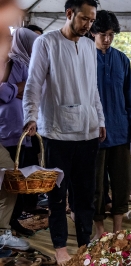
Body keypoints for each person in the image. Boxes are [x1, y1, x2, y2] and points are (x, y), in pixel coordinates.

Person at [22, 0, 105, 264]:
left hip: (88, 130)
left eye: (92, 21)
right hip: (56, 132)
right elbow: (33, 84)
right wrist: (30, 117)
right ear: (69, 14)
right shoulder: (46, 43)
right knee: (57, 195)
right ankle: (60, 245)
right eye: (84, 19)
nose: (88, 25)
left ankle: (84, 242)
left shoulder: (91, 46)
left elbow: (93, 89)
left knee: (85, 194)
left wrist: (100, 119)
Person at [90, 10, 131, 240]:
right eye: (103, 34)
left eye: (111, 34)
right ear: (92, 33)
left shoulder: (122, 59)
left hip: (120, 131)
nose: (108, 39)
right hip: (92, 133)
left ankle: (118, 228)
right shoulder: (84, 57)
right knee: (96, 185)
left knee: (122, 182)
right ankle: (100, 230)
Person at [0, 27, 39, 236]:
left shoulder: (25, 63)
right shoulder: (8, 63)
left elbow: (34, 90)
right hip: (6, 129)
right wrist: (20, 88)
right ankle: (6, 225)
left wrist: (15, 89)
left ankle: (12, 221)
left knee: (18, 179)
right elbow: (3, 93)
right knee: (8, 179)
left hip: (21, 131)